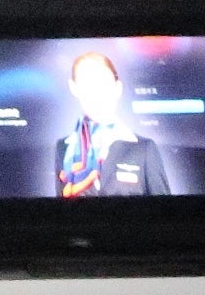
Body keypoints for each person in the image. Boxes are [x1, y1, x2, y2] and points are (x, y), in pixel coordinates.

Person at [53, 50, 174, 199]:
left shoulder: (144, 149)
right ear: (74, 88)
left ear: (117, 89)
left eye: (103, 83)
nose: (95, 92)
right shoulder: (64, 148)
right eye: (86, 83)